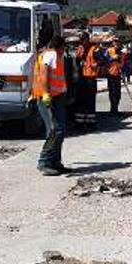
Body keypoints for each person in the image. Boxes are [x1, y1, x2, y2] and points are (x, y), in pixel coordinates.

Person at [31, 34, 69, 176]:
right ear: (60, 47)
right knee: (54, 130)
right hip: (48, 98)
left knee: (61, 131)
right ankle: (44, 161)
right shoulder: (51, 54)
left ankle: (55, 162)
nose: (63, 52)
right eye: (63, 49)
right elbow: (45, 73)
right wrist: (46, 93)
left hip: (56, 97)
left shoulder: (50, 55)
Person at [74, 32, 99, 130]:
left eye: (83, 40)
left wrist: (96, 65)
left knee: (90, 101)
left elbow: (102, 60)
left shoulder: (94, 49)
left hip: (90, 78)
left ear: (87, 39)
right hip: (81, 78)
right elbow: (76, 61)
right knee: (80, 101)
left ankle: (90, 123)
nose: (81, 42)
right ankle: (79, 123)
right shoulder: (80, 49)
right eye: (80, 40)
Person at [106, 40, 123, 115]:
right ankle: (113, 110)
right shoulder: (108, 51)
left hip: (118, 74)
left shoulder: (121, 53)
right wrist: (112, 58)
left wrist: (123, 74)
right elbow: (104, 61)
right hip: (111, 74)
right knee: (112, 93)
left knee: (118, 93)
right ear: (113, 43)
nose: (117, 44)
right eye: (115, 43)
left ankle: (116, 109)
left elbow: (122, 64)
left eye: (118, 43)